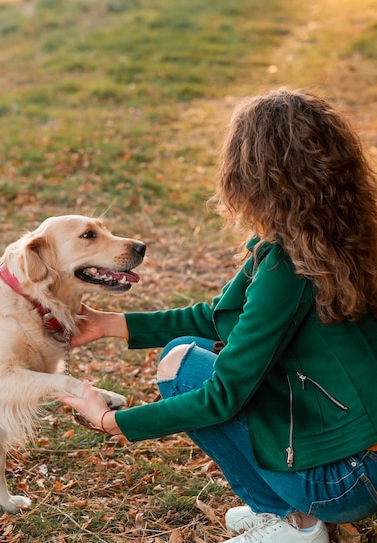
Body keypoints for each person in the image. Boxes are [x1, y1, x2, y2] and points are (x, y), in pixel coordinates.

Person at [60, 89, 377, 543]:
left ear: (255, 174)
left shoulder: (289, 265)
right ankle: (290, 510)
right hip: (360, 451)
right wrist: (111, 324)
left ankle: (296, 524)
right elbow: (220, 315)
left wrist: (112, 422)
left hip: (344, 479)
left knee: (183, 370)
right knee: (181, 353)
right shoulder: (344, 230)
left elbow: (223, 396)